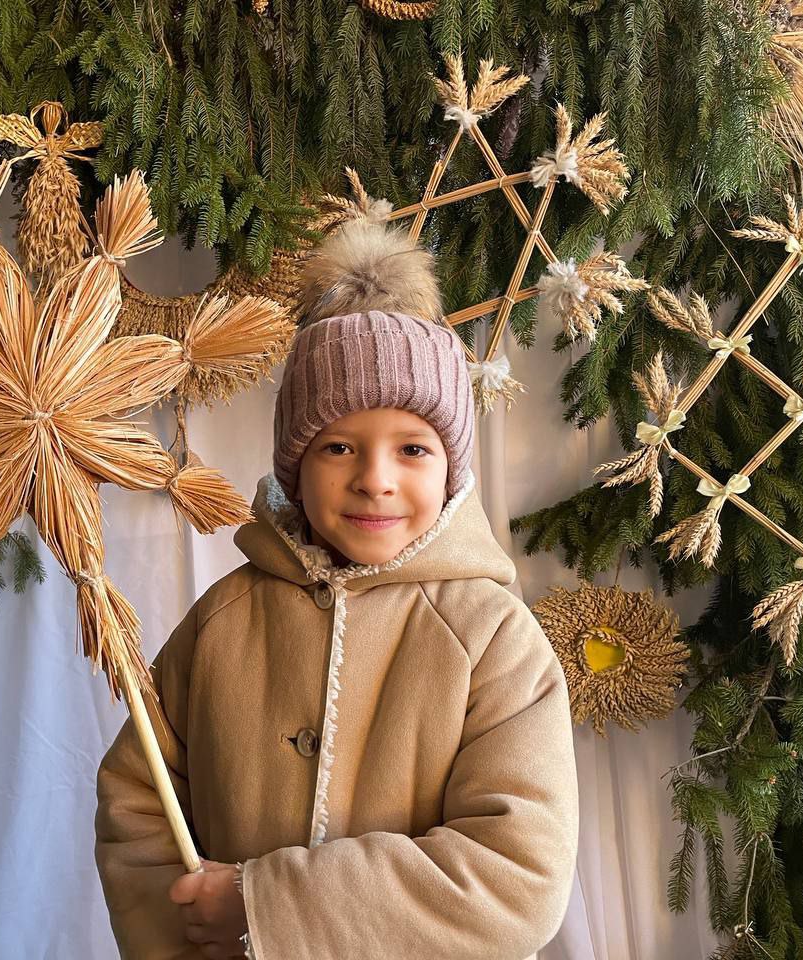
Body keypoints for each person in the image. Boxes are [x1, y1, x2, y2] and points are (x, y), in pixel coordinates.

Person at [94, 212, 579, 960]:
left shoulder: (494, 640)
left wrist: (266, 908)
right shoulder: (222, 621)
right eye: (339, 446)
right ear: (295, 464)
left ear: (452, 468)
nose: (375, 480)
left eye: (413, 448)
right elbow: (138, 802)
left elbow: (519, 873)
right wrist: (190, 932)